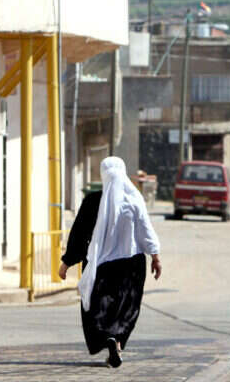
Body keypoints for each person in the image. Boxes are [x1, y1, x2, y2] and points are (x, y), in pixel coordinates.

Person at [58, 157, 162, 368]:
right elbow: (146, 231)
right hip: (132, 265)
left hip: (101, 265)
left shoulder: (92, 201)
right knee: (126, 308)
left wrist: (67, 263)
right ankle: (117, 342)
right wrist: (155, 257)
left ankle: (109, 339)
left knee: (99, 307)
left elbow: (79, 234)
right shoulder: (134, 199)